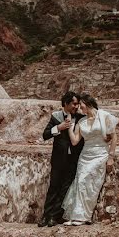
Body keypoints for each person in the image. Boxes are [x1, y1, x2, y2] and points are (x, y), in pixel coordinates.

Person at [62, 93, 119, 225]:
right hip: (85, 155)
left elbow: (114, 137)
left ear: (87, 103)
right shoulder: (81, 122)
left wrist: (111, 157)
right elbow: (75, 141)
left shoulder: (104, 116)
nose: (79, 108)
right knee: (80, 182)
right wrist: (70, 127)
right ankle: (77, 215)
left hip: (100, 154)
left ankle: (84, 216)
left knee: (91, 185)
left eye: (80, 104)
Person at [38, 91, 84, 227]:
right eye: (74, 104)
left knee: (65, 189)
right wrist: (58, 127)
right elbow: (45, 135)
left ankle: (54, 217)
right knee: (54, 187)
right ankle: (45, 216)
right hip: (58, 159)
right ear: (66, 104)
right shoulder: (56, 117)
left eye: (77, 104)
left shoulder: (81, 118)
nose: (76, 107)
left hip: (73, 160)